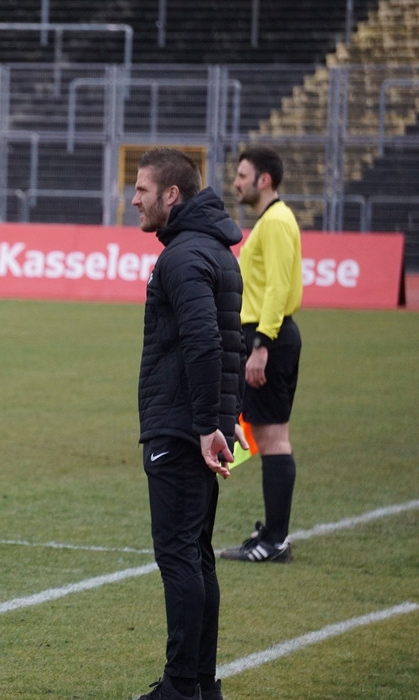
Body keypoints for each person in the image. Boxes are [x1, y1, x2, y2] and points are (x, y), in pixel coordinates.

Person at [132, 148, 246, 700]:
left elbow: (206, 343)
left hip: (181, 429)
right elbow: (229, 342)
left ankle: (181, 687)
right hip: (199, 424)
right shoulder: (215, 250)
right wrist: (223, 418)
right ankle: (200, 683)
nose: (134, 200)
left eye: (142, 189)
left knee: (180, 556)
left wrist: (206, 425)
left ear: (171, 194)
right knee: (197, 555)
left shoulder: (182, 257)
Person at [220, 146, 302, 564]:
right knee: (270, 437)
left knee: (272, 439)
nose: (236, 182)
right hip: (265, 335)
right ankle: (272, 534)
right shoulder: (270, 221)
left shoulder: (276, 222)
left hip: (268, 337)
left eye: (242, 175)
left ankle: (275, 541)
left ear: (263, 179)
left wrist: (261, 345)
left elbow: (277, 288)